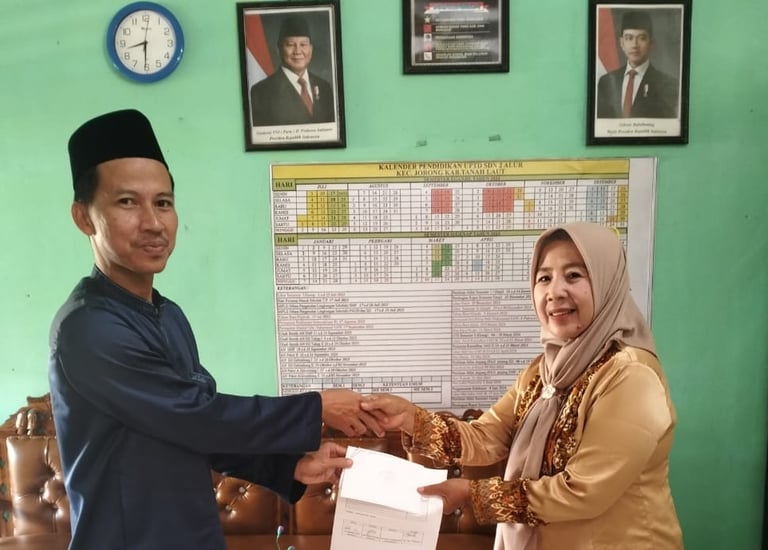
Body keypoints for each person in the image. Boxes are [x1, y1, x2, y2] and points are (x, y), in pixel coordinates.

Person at [49, 108, 382, 549]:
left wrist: (288, 467)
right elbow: (197, 416)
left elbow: (196, 430)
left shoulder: (167, 315)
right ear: (84, 217)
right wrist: (316, 407)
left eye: (163, 203)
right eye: (127, 202)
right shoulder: (88, 327)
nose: (153, 223)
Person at [362, 222, 683, 550]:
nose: (554, 292)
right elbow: (486, 437)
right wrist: (410, 419)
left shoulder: (630, 376)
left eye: (573, 275)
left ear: (607, 283)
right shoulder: (543, 372)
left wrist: (474, 494)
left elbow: (584, 491)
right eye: (544, 278)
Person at [249, 14, 335, 126]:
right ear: (278, 49)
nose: (298, 51)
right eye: (290, 45)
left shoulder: (325, 87)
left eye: (303, 44)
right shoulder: (261, 92)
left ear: (311, 49)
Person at [596, 10, 679, 118]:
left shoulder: (668, 85)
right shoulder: (606, 82)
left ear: (651, 43)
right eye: (629, 38)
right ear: (621, 43)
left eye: (642, 38)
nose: (634, 45)